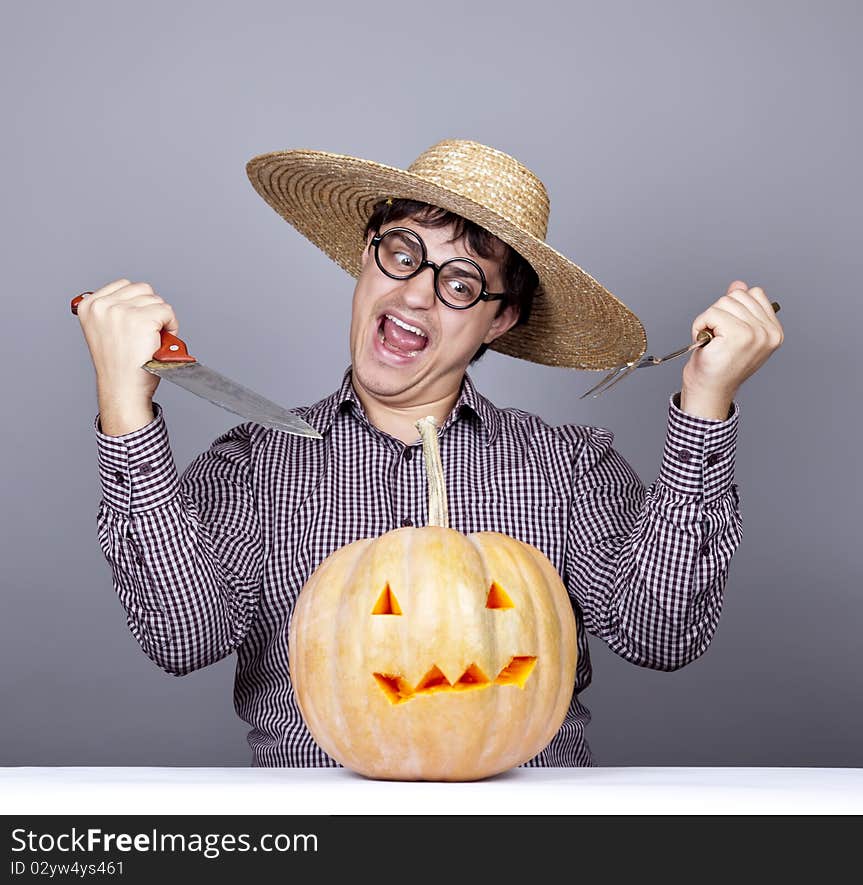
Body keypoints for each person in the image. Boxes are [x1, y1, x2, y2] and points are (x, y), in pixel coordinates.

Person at [76, 139, 784, 767]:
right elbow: (181, 636)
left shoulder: (570, 468)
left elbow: (662, 634)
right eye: (403, 253)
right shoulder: (254, 461)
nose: (416, 293)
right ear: (367, 253)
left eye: (460, 282)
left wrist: (704, 401)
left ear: (499, 319)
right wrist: (125, 402)